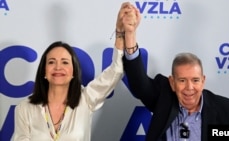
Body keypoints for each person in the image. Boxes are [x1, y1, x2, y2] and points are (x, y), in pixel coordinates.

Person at [12, 3, 137, 140]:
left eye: (65, 62)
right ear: (44, 71)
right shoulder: (24, 109)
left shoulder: (85, 99)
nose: (58, 67)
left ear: (73, 72)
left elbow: (116, 71)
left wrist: (120, 33)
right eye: (51, 62)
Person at [121, 3, 229, 141]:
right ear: (172, 82)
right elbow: (139, 85)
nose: (189, 88)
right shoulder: (163, 99)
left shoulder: (226, 110)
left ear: (203, 81)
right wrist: (130, 34)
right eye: (182, 80)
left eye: (195, 80)